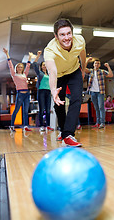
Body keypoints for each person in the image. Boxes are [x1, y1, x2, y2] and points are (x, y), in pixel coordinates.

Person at [44, 18, 86, 147]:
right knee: (59, 104)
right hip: (59, 75)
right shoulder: (49, 50)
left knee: (77, 98)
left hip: (74, 71)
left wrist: (83, 70)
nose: (66, 38)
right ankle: (63, 131)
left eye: (68, 33)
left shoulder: (80, 40)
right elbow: (52, 71)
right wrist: (53, 91)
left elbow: (82, 54)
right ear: (56, 37)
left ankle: (68, 135)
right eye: (62, 35)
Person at [3, 48, 32, 132]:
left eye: (21, 67)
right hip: (20, 94)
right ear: (16, 68)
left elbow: (28, 66)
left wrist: (30, 57)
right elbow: (10, 65)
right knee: (16, 110)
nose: (20, 68)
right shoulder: (14, 74)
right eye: (19, 67)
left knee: (26, 111)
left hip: (27, 94)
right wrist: (7, 54)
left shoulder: (25, 74)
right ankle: (12, 126)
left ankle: (26, 126)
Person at [86, 58, 113, 129]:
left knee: (101, 107)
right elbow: (83, 69)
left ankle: (102, 123)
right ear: (93, 64)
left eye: (98, 63)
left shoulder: (102, 71)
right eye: (95, 63)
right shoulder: (90, 71)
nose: (96, 65)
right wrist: (87, 61)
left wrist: (108, 66)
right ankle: (97, 123)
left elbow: (110, 75)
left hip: (100, 92)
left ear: (99, 65)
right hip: (92, 92)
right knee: (96, 108)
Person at [32, 51, 53, 131]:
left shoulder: (50, 74)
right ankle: (41, 126)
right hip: (41, 91)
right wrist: (38, 55)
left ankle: (48, 125)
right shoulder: (40, 73)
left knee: (48, 110)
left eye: (45, 65)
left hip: (48, 92)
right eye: (43, 65)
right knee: (41, 109)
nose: (44, 66)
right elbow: (34, 65)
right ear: (41, 66)